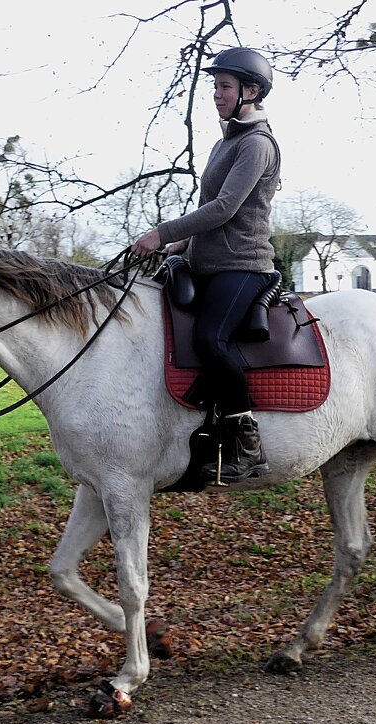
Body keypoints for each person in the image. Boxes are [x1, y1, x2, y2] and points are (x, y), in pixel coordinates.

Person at [131, 47, 281, 483]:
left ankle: (247, 440)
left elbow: (224, 208)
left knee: (211, 339)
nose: (216, 94)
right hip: (207, 261)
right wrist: (175, 246)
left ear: (250, 92)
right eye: (215, 86)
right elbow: (206, 215)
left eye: (225, 87)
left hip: (242, 264)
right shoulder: (227, 141)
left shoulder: (257, 144)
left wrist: (162, 232)